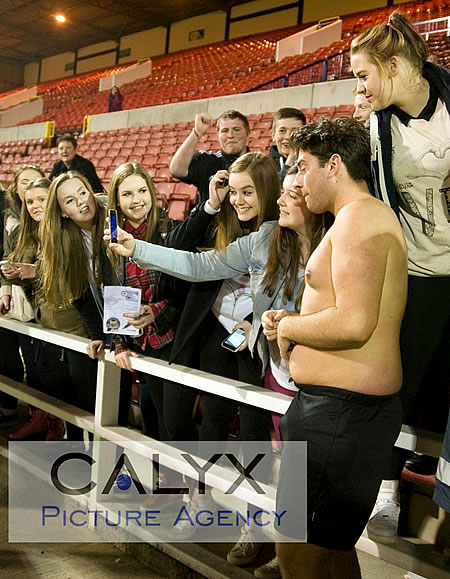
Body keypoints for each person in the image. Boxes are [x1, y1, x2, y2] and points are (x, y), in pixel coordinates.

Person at [105, 151, 329, 577]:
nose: (243, 200)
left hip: (312, 372)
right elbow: (197, 264)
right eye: (238, 192)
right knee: (252, 442)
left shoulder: (330, 239)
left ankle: (289, 545)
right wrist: (138, 249)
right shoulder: (262, 238)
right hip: (267, 362)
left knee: (292, 459)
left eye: (255, 192)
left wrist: (263, 324)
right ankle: (258, 528)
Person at [259, 118, 407, 579]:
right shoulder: (359, 218)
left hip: (339, 417)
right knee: (332, 554)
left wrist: (291, 330)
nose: (298, 181)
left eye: (303, 167)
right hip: (339, 416)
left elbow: (355, 322)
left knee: (298, 555)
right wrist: (291, 323)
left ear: (335, 165)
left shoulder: (359, 219)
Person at [351, 11, 450, 543]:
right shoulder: (376, 124)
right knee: (405, 389)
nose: (359, 88)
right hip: (417, 272)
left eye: (364, 75)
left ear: (395, 65)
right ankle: (391, 495)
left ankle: (439, 523)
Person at [40, 171, 131, 437]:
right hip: (110, 327)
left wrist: (118, 337)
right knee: (100, 405)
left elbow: (120, 283)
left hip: (133, 320)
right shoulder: (65, 242)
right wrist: (100, 335)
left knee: (122, 405)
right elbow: (81, 297)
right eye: (69, 200)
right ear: (63, 212)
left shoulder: (113, 219)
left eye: (82, 192)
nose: (81, 202)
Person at [0, 164, 45, 427]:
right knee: (21, 355)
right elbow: (8, 256)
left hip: (41, 299)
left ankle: (47, 420)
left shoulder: (47, 218)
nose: (30, 186)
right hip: (17, 296)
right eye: (24, 182)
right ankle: (33, 416)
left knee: (40, 363)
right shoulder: (10, 216)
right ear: (15, 188)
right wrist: (5, 287)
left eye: (36, 182)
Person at [169, 110, 250, 203]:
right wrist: (197, 132)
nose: (230, 135)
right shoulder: (207, 161)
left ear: (248, 132)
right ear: (218, 135)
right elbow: (177, 170)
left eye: (236, 129)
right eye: (224, 131)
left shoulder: (258, 164)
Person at [269, 107, 306, 181]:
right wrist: (290, 162)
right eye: (282, 131)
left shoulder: (313, 162)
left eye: (295, 131)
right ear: (273, 135)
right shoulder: (264, 166)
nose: (288, 137)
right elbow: (272, 191)